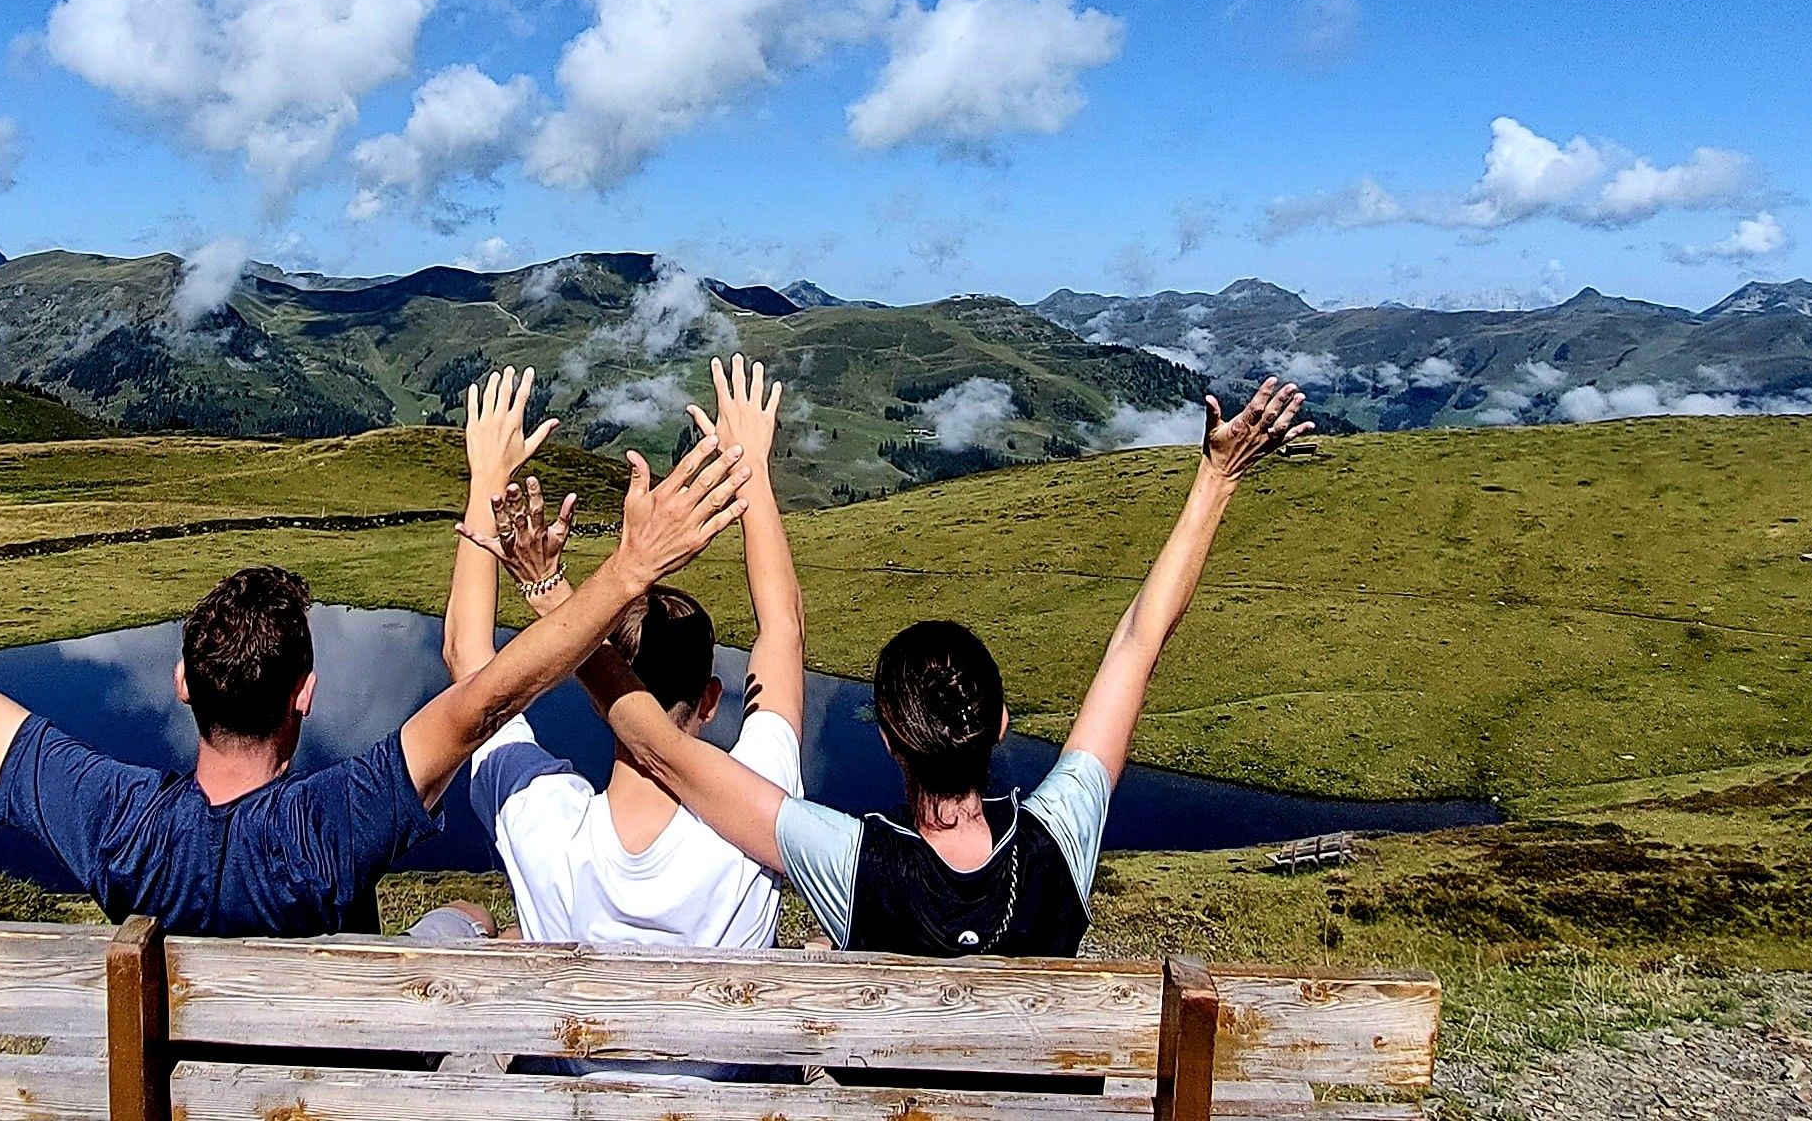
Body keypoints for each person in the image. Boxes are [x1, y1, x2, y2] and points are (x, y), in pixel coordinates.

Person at [0, 431, 752, 936]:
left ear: (182, 683)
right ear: (306, 694)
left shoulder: (114, 820)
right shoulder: (336, 821)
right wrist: (624, 571)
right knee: (456, 928)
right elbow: (485, 697)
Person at [492, 376, 1313, 958]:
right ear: (999, 725)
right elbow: (1139, 641)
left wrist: (553, 591)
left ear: (887, 738)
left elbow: (660, 745)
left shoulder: (850, 862)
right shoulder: (1062, 837)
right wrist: (1216, 479)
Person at [437, 358, 805, 949]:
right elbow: (783, 629)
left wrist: (488, 481)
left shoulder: (543, 822)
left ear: (596, 692)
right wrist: (750, 471)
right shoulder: (756, 809)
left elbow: (467, 656)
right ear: (711, 698)